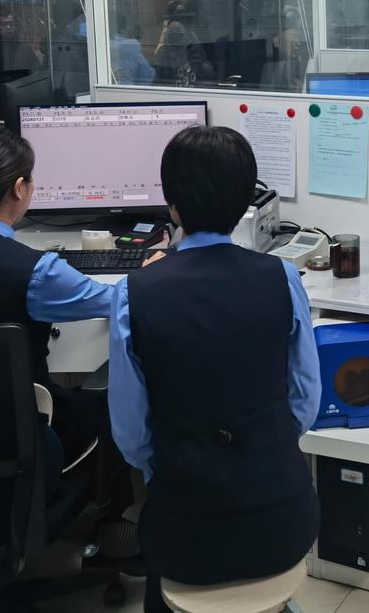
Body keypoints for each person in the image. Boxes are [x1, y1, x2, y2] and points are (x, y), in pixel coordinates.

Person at [109, 126, 320, 609]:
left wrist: (176, 466)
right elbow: (305, 402)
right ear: (246, 202)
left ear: (172, 206)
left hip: (184, 534)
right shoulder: (283, 277)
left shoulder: (134, 293)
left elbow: (131, 436)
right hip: (284, 524)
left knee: (163, 574)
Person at [0, 126, 127, 483]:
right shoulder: (35, 271)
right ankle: (106, 512)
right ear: (20, 188)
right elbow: (115, 300)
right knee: (112, 401)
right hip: (23, 438)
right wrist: (150, 272)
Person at [0, 9, 41, 122]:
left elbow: (36, 75)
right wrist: (3, 93)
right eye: (4, 25)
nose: (8, 28)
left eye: (11, 24)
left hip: (25, 108)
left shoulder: (26, 49)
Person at [110, 15, 155, 85]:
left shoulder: (103, 48)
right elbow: (147, 77)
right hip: (127, 90)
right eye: (128, 26)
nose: (130, 29)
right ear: (123, 29)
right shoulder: (134, 52)